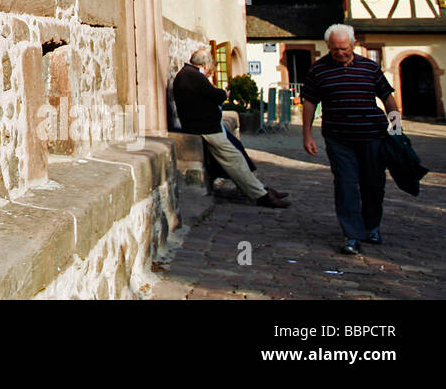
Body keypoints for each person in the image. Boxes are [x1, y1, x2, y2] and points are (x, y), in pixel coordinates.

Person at [302, 24, 401, 255]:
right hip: (339, 138)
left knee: (374, 184)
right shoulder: (318, 70)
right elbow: (309, 102)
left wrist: (396, 131)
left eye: (344, 48)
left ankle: (372, 226)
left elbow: (388, 99)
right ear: (328, 46)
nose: (340, 53)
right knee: (346, 185)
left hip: (372, 136)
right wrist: (307, 134)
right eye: (335, 49)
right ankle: (351, 235)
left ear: (353, 44)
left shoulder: (370, 67)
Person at [172, 48, 289, 208]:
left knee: (236, 157)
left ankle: (262, 190)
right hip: (205, 128)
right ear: (206, 65)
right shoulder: (193, 76)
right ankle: (261, 195)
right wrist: (223, 94)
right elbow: (216, 95)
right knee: (235, 159)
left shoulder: (188, 75)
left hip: (205, 126)